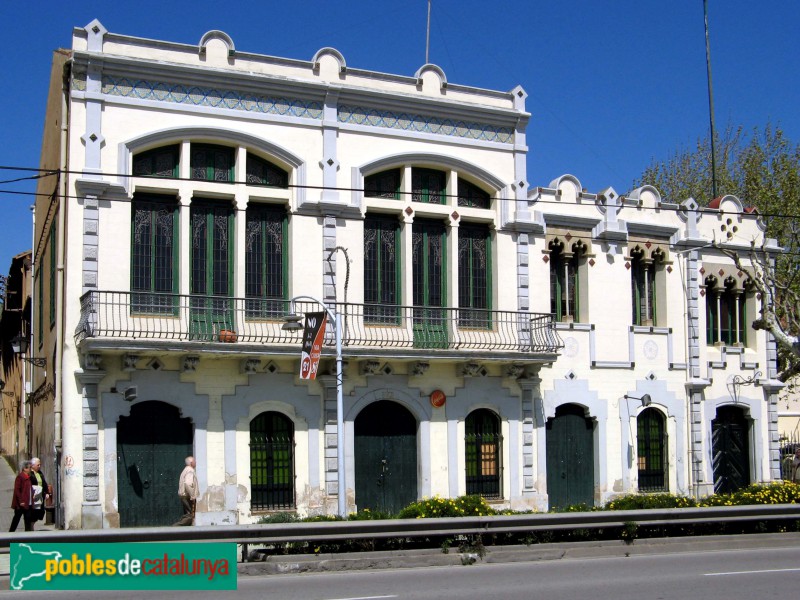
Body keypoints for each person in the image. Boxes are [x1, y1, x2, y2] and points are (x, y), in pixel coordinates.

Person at [9, 461, 34, 532]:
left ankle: (27, 535)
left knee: (28, 519)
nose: (31, 469)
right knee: (16, 518)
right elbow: (17, 490)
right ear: (25, 469)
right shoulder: (20, 477)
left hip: (28, 503)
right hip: (21, 504)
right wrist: (20, 501)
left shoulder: (29, 477)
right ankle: (11, 532)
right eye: (30, 468)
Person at [174, 456, 198, 526]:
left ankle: (187, 532)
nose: (196, 462)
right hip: (187, 496)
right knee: (190, 515)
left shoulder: (185, 470)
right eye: (194, 461)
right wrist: (192, 495)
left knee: (188, 514)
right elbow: (188, 483)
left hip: (184, 495)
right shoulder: (190, 470)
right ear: (191, 463)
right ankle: (175, 527)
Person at [30, 458, 52, 524]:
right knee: (34, 511)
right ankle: (31, 526)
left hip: (40, 495)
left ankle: (32, 524)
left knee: (40, 511)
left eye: (40, 465)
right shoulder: (30, 474)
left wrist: (47, 492)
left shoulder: (40, 473)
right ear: (32, 465)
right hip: (33, 495)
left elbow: (44, 483)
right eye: (38, 465)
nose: (39, 466)